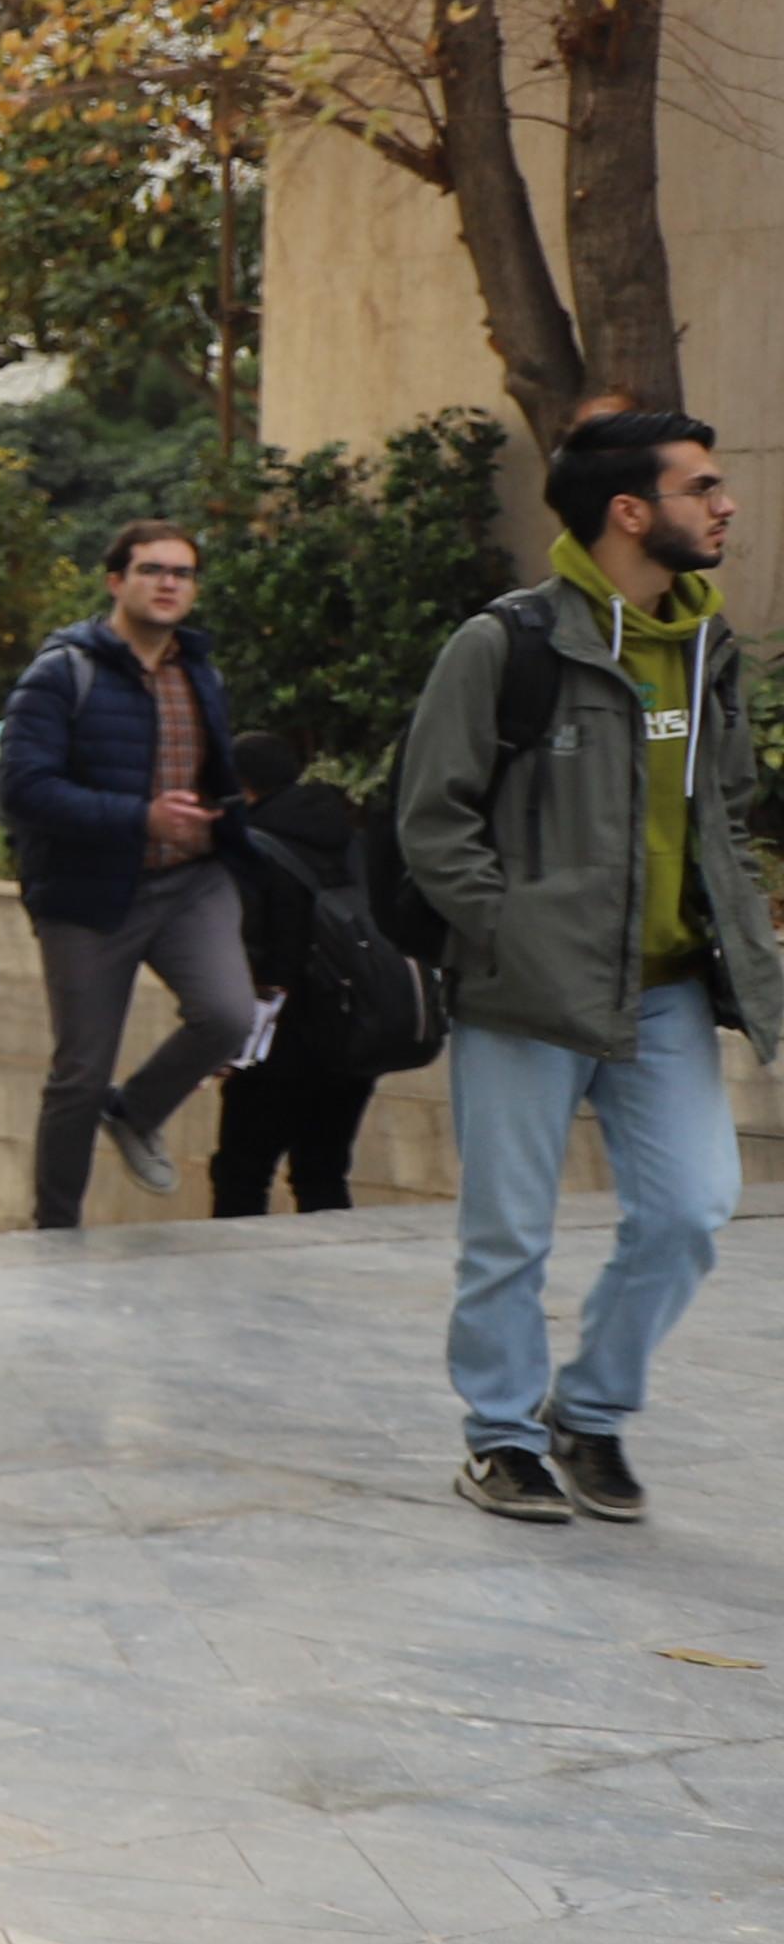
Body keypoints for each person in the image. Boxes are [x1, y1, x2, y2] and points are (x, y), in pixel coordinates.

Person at [399, 411, 776, 1526]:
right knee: (508, 1232)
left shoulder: (707, 646)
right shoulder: (507, 643)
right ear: (630, 511)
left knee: (693, 1210)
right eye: (701, 487)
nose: (726, 505)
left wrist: (743, 919)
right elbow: (433, 820)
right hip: (526, 994)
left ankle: (591, 1411)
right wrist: (506, 934)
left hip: (664, 990)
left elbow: (730, 807)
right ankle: (502, 1436)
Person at [0, 521, 255, 1225]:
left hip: (192, 882)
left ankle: (135, 1112)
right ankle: (55, 1228)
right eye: (152, 570)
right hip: (87, 894)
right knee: (80, 1073)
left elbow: (211, 771)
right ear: (116, 582)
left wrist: (226, 821)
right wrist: (140, 817)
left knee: (229, 1016)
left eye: (183, 573)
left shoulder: (201, 673)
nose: (169, 584)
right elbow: (22, 789)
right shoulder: (61, 673)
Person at [208, 731, 384, 1216]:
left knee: (242, 1174)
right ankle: (329, 1265)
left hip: (281, 1039)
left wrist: (227, 1037)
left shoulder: (253, 849)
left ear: (241, 787)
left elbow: (251, 951)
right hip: (354, 1034)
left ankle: (233, 1267)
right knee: (323, 1172)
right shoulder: (353, 838)